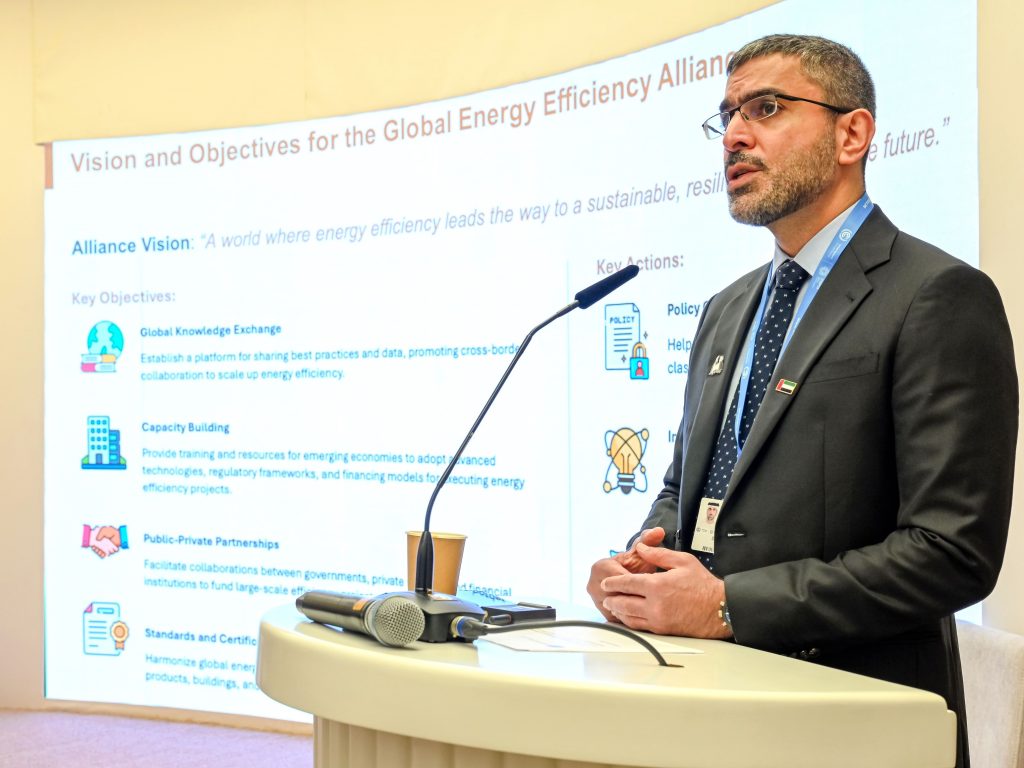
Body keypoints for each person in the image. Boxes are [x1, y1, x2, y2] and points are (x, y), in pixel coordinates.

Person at [586, 34, 1016, 768]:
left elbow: (950, 553)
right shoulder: (726, 309)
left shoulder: (936, 296)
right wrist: (643, 567)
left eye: (766, 108)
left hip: (855, 728)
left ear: (853, 135)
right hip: (709, 712)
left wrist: (728, 606)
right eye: (727, 116)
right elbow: (688, 488)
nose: (735, 136)